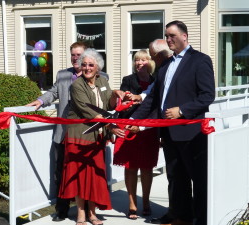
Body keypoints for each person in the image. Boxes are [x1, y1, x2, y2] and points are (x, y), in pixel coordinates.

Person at [127, 21, 215, 225]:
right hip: (168, 133)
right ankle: (179, 215)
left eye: (172, 35)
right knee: (175, 178)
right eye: (166, 36)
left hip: (191, 131)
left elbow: (207, 95)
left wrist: (182, 111)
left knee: (198, 179)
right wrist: (132, 120)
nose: (168, 40)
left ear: (184, 36)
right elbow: (153, 99)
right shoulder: (165, 65)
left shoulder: (200, 60)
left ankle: (201, 219)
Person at [26, 42, 108, 222]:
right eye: (73, 55)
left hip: (90, 133)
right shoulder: (63, 75)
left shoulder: (101, 76)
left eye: (79, 54)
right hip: (64, 132)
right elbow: (53, 92)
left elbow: (105, 100)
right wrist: (40, 101)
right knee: (62, 173)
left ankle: (88, 211)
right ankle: (62, 210)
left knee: (88, 173)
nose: (76, 58)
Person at [58, 48, 124, 225]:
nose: (87, 68)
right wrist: (111, 126)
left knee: (94, 177)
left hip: (96, 137)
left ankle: (92, 213)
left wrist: (116, 94)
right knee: (80, 177)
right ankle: (81, 214)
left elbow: (108, 103)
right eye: (84, 64)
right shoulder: (77, 85)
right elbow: (88, 111)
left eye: (91, 65)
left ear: (97, 67)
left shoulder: (103, 80)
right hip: (78, 136)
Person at [111, 49, 160, 220]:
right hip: (130, 127)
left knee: (147, 168)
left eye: (143, 60)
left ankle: (146, 202)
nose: (139, 63)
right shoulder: (128, 80)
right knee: (130, 168)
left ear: (150, 63)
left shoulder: (156, 80)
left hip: (149, 130)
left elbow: (157, 107)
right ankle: (132, 203)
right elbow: (123, 103)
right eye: (136, 60)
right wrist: (128, 99)